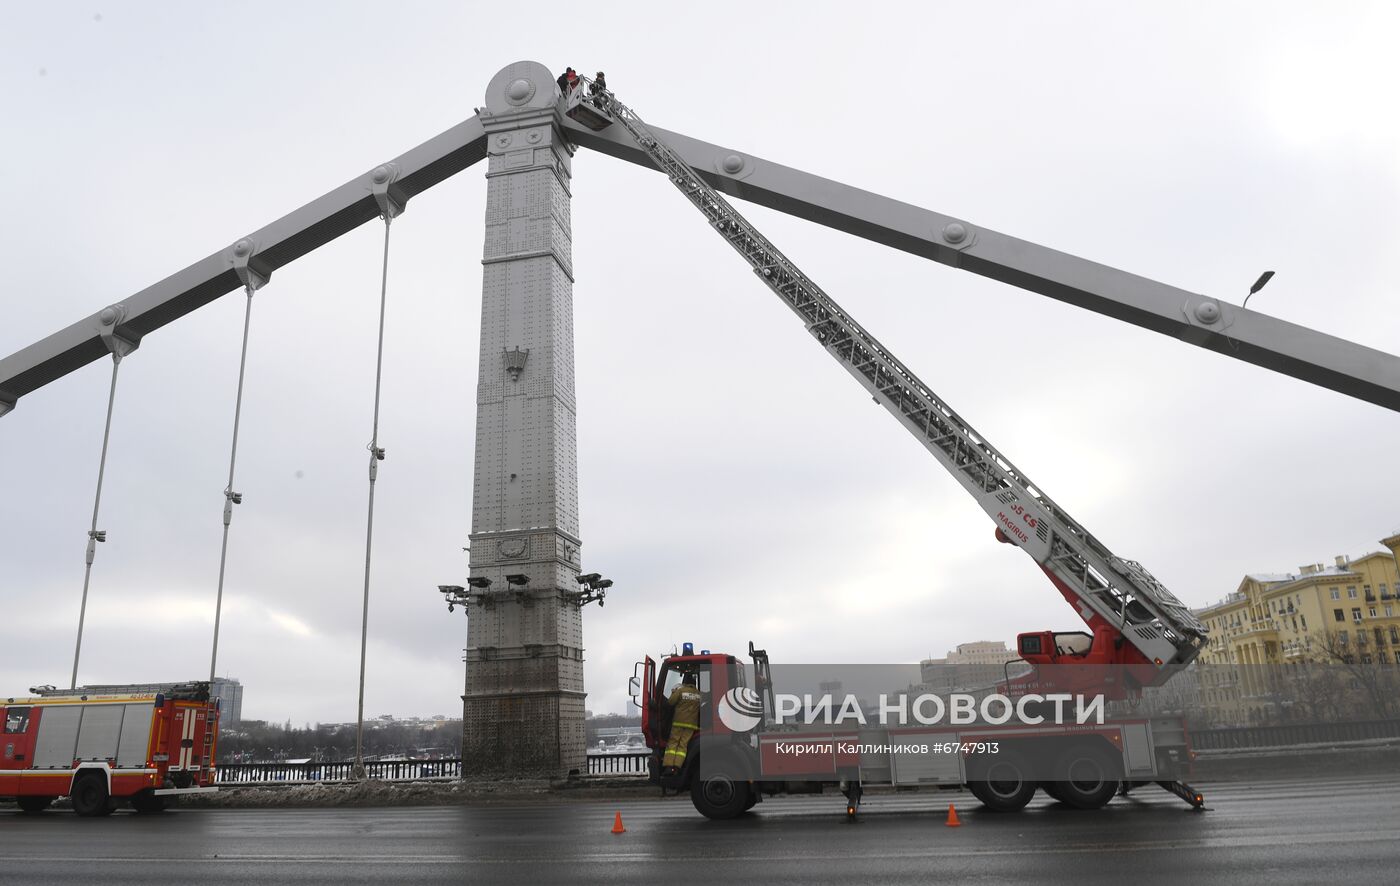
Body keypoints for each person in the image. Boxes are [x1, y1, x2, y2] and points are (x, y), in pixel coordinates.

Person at [662, 672, 702, 774]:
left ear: (685, 682)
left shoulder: (681, 691)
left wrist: (673, 692)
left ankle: (668, 767)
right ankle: (677, 767)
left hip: (678, 723)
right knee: (682, 746)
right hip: (691, 725)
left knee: (673, 744)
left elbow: (670, 702)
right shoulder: (698, 694)